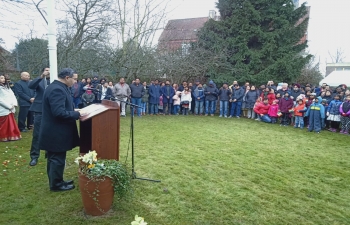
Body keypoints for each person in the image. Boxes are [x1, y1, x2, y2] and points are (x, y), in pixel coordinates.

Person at [39, 68, 85, 192]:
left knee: (56, 158)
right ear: (67, 78)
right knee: (56, 159)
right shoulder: (56, 89)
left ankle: (58, 180)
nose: (76, 82)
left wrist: (74, 110)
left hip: (55, 130)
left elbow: (61, 107)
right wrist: (76, 115)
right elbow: (58, 112)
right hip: (55, 132)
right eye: (74, 79)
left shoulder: (58, 87)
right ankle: (56, 185)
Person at [28, 67, 50, 166]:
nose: (48, 72)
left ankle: (49, 153)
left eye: (50, 70)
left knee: (51, 133)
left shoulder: (55, 80)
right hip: (39, 110)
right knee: (37, 134)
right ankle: (34, 156)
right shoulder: (39, 81)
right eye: (47, 70)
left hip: (52, 111)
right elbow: (31, 86)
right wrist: (41, 76)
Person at [0, 74, 21, 142]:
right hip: (4, 108)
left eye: (3, 78)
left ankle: (11, 136)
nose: (3, 79)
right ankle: (3, 136)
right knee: (4, 125)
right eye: (1, 78)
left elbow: (13, 96)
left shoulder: (7, 87)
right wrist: (8, 106)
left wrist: (14, 104)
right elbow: (0, 100)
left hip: (11, 108)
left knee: (11, 124)